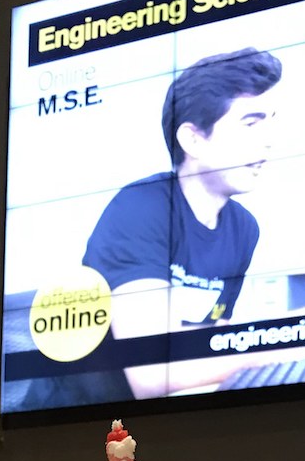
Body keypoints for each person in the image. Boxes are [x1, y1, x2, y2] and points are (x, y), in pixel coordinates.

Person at [78, 46, 284, 401]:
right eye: (251, 123)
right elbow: (153, 373)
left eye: (271, 122)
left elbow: (211, 334)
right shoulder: (140, 209)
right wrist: (294, 338)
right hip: (85, 429)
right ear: (192, 139)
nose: (269, 140)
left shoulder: (244, 228)